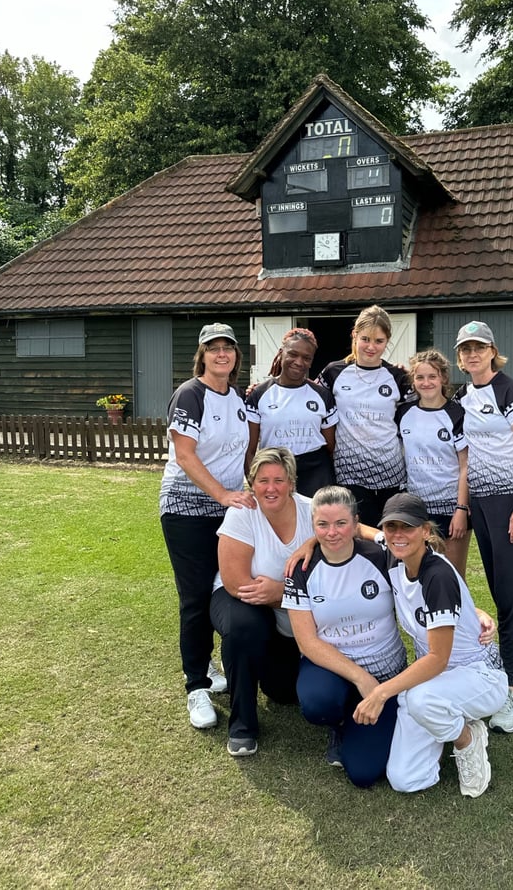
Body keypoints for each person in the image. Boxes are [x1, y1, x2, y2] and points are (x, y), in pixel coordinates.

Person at [353, 493, 508, 798]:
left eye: (407, 527)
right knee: (405, 779)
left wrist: (381, 692)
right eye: (392, 527)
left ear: (425, 531)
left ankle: (466, 737)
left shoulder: (436, 575)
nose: (398, 535)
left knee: (418, 699)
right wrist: (308, 546)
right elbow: (358, 529)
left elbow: (438, 658)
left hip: (479, 676)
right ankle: (450, 718)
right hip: (435, 683)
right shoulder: (393, 552)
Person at [159, 322, 254, 731]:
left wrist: (239, 493)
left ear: (235, 355)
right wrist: (222, 495)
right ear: (202, 354)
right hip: (185, 508)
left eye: (227, 348)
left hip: (225, 509)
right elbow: (185, 455)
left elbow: (244, 450)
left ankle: (213, 665)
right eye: (213, 348)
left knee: (226, 589)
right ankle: (196, 684)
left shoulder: (236, 397)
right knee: (195, 597)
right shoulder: (190, 393)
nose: (221, 354)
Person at [282, 486, 407, 787]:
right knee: (317, 702)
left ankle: (371, 714)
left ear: (355, 524)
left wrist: (474, 613)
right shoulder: (300, 570)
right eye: (322, 525)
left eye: (341, 523)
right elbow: (307, 642)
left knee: (362, 773)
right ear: (312, 527)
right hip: (333, 669)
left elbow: (431, 573)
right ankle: (339, 722)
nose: (332, 532)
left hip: (385, 673)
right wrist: (360, 679)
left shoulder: (381, 557)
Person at [453, 320, 513, 735]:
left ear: (492, 351)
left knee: (509, 595)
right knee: (502, 589)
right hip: (483, 505)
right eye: (465, 349)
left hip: (511, 503)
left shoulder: (509, 390)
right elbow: (466, 460)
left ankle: (508, 689)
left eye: (479, 347)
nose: (472, 354)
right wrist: (465, 507)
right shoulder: (462, 396)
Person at [211, 447, 310, 757]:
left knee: (284, 692)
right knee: (245, 627)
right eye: (262, 480)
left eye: (279, 480)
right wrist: (277, 598)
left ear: (292, 482)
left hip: (287, 606)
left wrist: (281, 593)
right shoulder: (242, 513)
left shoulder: (313, 511)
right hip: (239, 596)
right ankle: (242, 725)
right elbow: (236, 581)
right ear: (251, 482)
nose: (271, 488)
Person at [317, 304, 410, 526]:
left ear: (387, 341)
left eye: (379, 341)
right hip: (350, 475)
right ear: (354, 335)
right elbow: (306, 397)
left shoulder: (398, 376)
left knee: (391, 540)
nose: (371, 347)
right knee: (360, 539)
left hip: (391, 473)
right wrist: (262, 388)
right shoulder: (333, 372)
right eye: (366, 339)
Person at [396, 349, 472, 577]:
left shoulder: (456, 414)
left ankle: (462, 614)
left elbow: (465, 465)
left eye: (432, 376)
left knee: (453, 576)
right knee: (419, 573)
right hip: (418, 509)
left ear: (443, 379)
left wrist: (461, 509)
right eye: (420, 377)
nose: (426, 382)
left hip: (451, 507)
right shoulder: (403, 413)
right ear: (413, 381)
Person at [246, 327, 338, 496]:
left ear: (311, 361)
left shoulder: (322, 396)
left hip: (316, 472)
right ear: (281, 353)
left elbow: (330, 447)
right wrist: (255, 483)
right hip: (275, 469)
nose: (299, 362)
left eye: (306, 358)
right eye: (293, 354)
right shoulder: (258, 395)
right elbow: (250, 450)